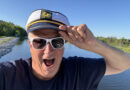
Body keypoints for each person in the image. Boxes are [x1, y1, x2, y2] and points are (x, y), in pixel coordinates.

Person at [0, 9, 130, 90]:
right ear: (30, 44)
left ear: (64, 44)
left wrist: (95, 45)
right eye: (39, 42)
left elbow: (124, 63)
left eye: (57, 41)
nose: (48, 50)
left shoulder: (78, 71)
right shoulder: (8, 74)